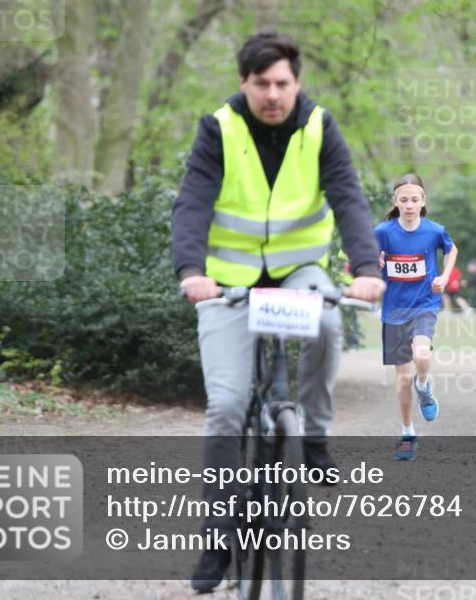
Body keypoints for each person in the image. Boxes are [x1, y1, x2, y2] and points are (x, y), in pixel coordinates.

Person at [171, 31, 385, 592]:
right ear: (244, 83)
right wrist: (192, 272)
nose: (273, 94)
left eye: (282, 83)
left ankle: (312, 436)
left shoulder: (320, 127)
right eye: (261, 84)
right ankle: (218, 536)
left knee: (330, 320)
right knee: (224, 409)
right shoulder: (219, 128)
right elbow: (193, 200)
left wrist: (367, 269)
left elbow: (348, 197)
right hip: (228, 283)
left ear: (296, 82)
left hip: (298, 272)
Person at [375, 173, 457, 461]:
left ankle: (424, 386)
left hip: (424, 305)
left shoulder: (434, 231)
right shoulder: (383, 232)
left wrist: (444, 277)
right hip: (394, 312)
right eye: (404, 199)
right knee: (401, 380)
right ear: (395, 202)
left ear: (423, 202)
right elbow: (367, 257)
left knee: (422, 357)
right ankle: (408, 432)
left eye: (415, 199)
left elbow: (451, 249)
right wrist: (376, 263)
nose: (409, 205)